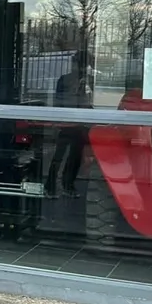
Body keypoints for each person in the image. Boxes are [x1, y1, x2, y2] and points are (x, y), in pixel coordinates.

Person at [46, 52, 91, 196]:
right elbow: (59, 101)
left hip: (79, 122)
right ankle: (52, 185)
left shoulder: (87, 81)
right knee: (60, 155)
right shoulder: (66, 80)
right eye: (80, 64)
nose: (82, 68)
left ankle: (67, 184)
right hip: (68, 122)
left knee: (74, 156)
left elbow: (87, 102)